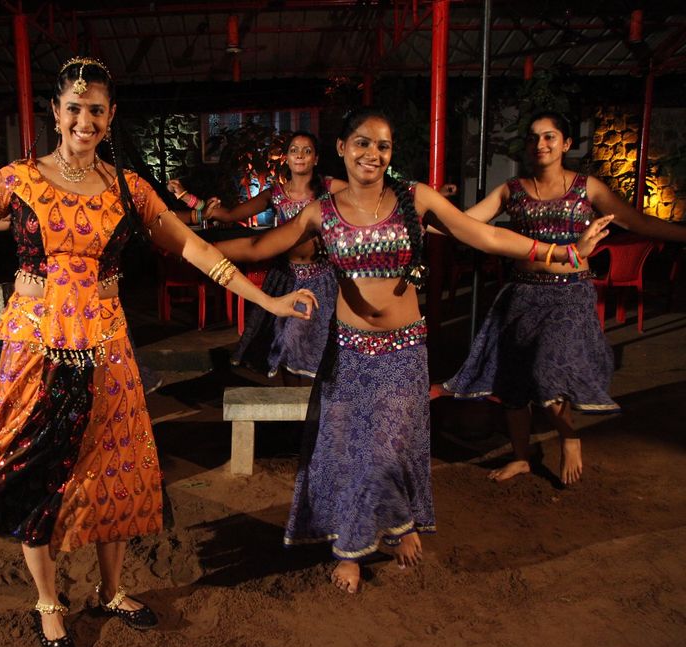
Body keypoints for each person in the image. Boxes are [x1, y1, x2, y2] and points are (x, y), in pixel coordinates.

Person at [0, 57, 317, 647]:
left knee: (115, 467)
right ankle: (49, 601)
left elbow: (195, 249)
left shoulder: (129, 188)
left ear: (111, 116)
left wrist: (269, 300)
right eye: (74, 108)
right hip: (32, 349)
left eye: (96, 109)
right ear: (55, 113)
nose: (84, 120)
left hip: (107, 349)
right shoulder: (19, 179)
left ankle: (111, 589)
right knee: (36, 469)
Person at [212, 108, 612, 595]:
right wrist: (189, 244)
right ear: (341, 148)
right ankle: (352, 550)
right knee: (352, 450)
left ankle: (395, 524)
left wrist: (562, 253)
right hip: (349, 352)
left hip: (403, 351)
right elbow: (258, 247)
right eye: (362, 143)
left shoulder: (413, 198)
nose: (372, 154)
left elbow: (485, 234)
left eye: (382, 146)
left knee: (393, 446)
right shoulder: (322, 212)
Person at [441, 110, 686, 485]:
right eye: (533, 137)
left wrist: (682, 234)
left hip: (570, 295)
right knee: (511, 379)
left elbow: (637, 222)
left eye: (549, 137)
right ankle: (522, 457)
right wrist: (422, 214)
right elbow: (464, 224)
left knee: (547, 367)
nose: (540, 144)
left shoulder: (588, 188)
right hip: (522, 293)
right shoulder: (511, 190)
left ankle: (569, 435)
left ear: (566, 144)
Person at [188, 132, 345, 384]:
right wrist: (198, 206)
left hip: (322, 279)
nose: (300, 155)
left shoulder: (329, 188)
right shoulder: (275, 193)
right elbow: (230, 215)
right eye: (294, 150)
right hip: (286, 278)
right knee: (286, 344)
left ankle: (316, 403)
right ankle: (292, 402)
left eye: (307, 151)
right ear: (287, 158)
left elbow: (365, 194)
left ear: (316, 158)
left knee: (318, 345)